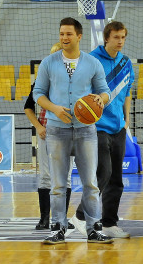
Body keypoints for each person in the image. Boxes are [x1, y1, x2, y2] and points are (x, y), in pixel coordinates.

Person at [33, 17, 113, 244]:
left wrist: (101, 98)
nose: (64, 38)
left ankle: (94, 228)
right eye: (61, 34)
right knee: (58, 183)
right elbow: (38, 94)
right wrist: (54, 109)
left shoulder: (92, 63)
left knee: (90, 182)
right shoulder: (48, 63)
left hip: (86, 130)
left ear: (79, 36)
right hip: (57, 130)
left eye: (68, 34)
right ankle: (57, 227)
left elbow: (105, 92)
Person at [72, 21, 135, 239]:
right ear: (106, 38)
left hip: (118, 127)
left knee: (117, 178)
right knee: (103, 172)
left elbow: (127, 92)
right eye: (116, 37)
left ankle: (109, 223)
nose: (120, 41)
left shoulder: (126, 62)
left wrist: (126, 120)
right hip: (95, 126)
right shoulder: (90, 60)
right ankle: (80, 216)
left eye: (123, 37)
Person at [24, 43, 77, 230]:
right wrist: (38, 127)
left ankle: (61, 218)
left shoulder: (76, 83)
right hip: (47, 134)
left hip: (69, 134)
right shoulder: (40, 82)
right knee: (46, 177)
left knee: (67, 177)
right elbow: (28, 108)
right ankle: (44, 218)